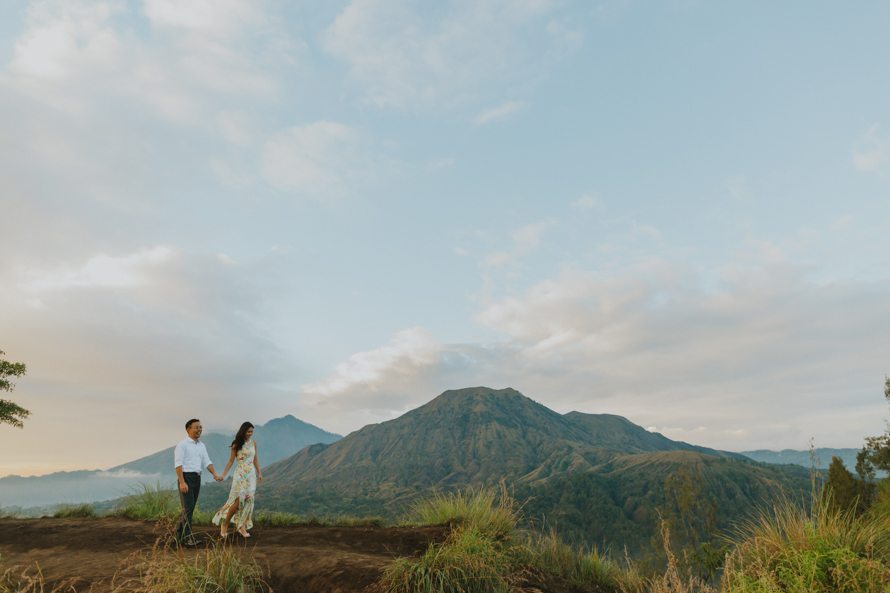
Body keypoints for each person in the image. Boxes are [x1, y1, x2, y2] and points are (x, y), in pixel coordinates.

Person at [174, 418, 223, 546]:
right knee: (188, 509)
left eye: (200, 427)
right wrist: (182, 482)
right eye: (196, 427)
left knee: (189, 509)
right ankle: (188, 539)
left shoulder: (202, 446)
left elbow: (207, 461)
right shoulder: (182, 445)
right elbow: (178, 465)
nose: (199, 429)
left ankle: (178, 535)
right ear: (188, 429)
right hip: (186, 478)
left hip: (197, 478)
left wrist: (215, 474)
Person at [213, 421, 263, 538]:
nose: (250, 434)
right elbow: (230, 461)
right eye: (248, 431)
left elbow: (255, 459)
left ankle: (241, 526)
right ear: (243, 431)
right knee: (237, 501)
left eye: (252, 432)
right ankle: (224, 524)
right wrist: (223, 475)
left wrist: (259, 472)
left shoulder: (253, 443)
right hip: (240, 475)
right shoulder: (236, 444)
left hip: (251, 475)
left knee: (249, 500)